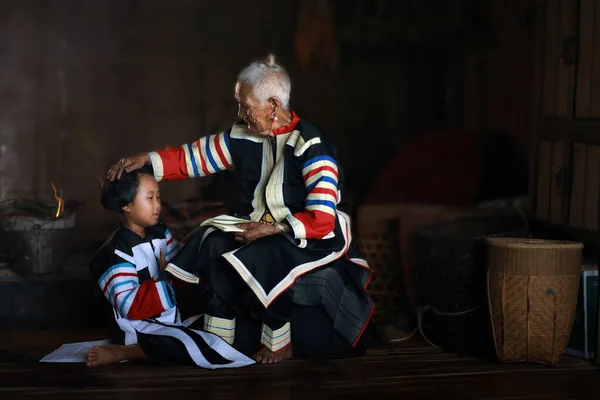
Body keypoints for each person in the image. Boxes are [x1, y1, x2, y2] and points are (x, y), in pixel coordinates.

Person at [107, 54, 375, 364]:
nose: (240, 114)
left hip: (305, 235)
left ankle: (280, 342)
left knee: (268, 252)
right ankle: (218, 334)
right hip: (257, 225)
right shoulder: (242, 134)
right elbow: (194, 157)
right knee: (212, 241)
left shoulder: (312, 145)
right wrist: (149, 160)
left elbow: (323, 218)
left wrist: (275, 228)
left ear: (273, 106)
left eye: (246, 107)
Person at [87, 165, 254, 369]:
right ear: (127, 205)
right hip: (142, 329)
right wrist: (168, 279)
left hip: (175, 318)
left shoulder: (159, 232)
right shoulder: (115, 253)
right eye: (150, 198)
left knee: (238, 329)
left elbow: (180, 266)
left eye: (158, 197)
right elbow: (131, 307)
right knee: (182, 344)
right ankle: (129, 351)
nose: (157, 205)